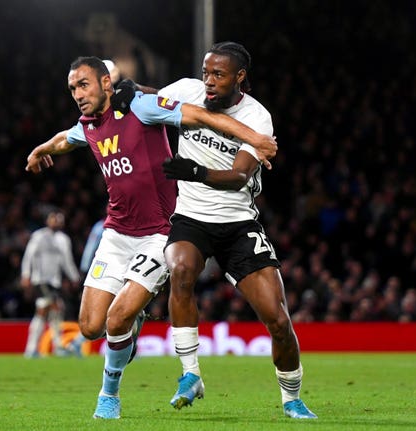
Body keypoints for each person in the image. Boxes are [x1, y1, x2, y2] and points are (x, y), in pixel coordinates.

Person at [24, 56, 277, 419]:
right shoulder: (88, 125)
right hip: (115, 234)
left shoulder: (141, 108)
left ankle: (108, 395)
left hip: (159, 235)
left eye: (84, 85)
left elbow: (201, 116)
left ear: (106, 84)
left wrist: (255, 138)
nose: (78, 94)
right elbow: (66, 139)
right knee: (91, 327)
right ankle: (134, 323)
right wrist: (41, 150)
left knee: (116, 320)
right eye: (72, 89)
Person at [148, 41, 316, 418]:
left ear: (239, 77)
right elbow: (150, 101)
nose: (208, 81)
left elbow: (240, 175)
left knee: (277, 318)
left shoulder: (257, 118)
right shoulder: (186, 91)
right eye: (206, 72)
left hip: (238, 224)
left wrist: (196, 172)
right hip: (191, 218)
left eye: (218, 75)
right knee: (181, 270)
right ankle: (190, 374)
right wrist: (128, 90)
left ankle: (292, 398)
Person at [21, 210, 80, 357]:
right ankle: (57, 345)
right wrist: (26, 274)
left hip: (55, 281)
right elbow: (29, 255)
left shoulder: (63, 239)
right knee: (55, 307)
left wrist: (74, 277)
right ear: (47, 220)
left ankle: (32, 349)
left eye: (58, 220)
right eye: (53, 219)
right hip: (40, 279)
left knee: (46, 311)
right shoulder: (39, 236)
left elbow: (67, 261)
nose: (56, 222)